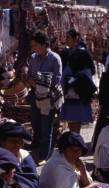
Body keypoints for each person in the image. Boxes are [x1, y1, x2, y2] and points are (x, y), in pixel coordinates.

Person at [27, 31, 63, 163]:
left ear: (44, 45)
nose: (33, 48)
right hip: (35, 96)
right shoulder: (33, 58)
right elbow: (30, 76)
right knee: (36, 125)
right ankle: (38, 150)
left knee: (46, 128)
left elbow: (56, 80)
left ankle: (44, 157)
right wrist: (33, 81)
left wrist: (39, 82)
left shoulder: (55, 59)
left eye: (35, 45)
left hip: (49, 98)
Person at [0, 121, 40, 188]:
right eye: (13, 141)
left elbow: (33, 181)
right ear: (2, 142)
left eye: (21, 141)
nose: (18, 144)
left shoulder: (24, 156)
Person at [61, 47, 97, 133]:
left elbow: (62, 81)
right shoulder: (86, 69)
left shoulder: (69, 67)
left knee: (73, 126)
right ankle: (76, 142)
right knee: (76, 127)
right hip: (82, 102)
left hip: (71, 101)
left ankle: (75, 142)